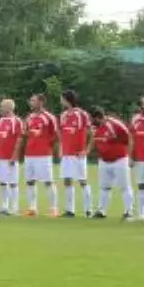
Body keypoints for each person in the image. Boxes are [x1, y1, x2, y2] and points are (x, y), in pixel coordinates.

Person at [90, 107, 133, 220]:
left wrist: (130, 156)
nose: (92, 122)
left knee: (124, 186)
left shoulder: (115, 124)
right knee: (104, 187)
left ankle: (128, 211)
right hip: (104, 160)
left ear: (99, 117)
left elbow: (128, 137)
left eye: (94, 119)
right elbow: (96, 141)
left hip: (119, 159)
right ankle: (101, 211)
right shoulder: (95, 127)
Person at [23, 93, 59, 217]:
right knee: (30, 181)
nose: (31, 102)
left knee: (48, 181)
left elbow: (55, 135)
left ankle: (53, 208)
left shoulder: (49, 117)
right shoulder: (30, 117)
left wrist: (51, 150)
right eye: (31, 100)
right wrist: (29, 133)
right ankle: (32, 208)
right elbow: (26, 132)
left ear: (41, 102)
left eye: (33, 100)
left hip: (43, 154)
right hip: (29, 154)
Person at [58, 90, 93, 218]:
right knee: (67, 180)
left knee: (82, 181)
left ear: (67, 99)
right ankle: (70, 210)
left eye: (61, 99)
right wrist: (61, 149)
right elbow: (62, 134)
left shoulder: (82, 114)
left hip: (78, 154)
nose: (60, 101)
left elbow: (91, 132)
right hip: (67, 154)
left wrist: (87, 149)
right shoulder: (63, 115)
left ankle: (88, 210)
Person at [0, 99, 24, 216]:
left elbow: (19, 139)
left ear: (9, 108)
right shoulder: (0, 121)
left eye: (2, 107)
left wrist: (14, 155)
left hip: (10, 157)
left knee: (13, 182)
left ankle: (14, 207)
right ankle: (4, 206)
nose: (0, 109)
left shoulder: (17, 121)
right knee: (2, 182)